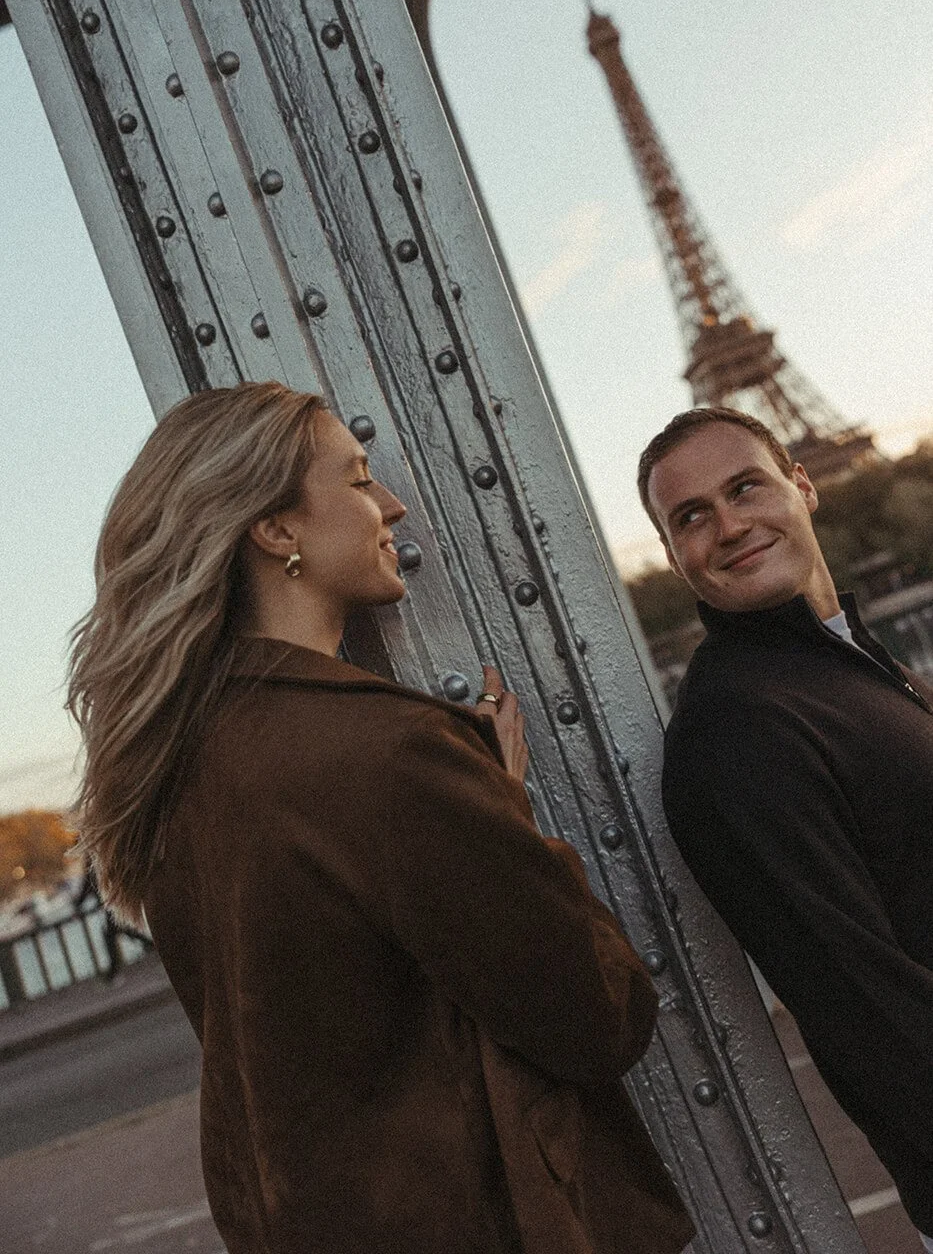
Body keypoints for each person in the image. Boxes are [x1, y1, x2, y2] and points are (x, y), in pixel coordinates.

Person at [68, 381, 693, 1254]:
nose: (393, 504)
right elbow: (599, 1016)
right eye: (359, 480)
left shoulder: (177, 771)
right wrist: (505, 815)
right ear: (277, 530)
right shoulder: (388, 753)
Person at [637, 405, 933, 1250]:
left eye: (744, 488)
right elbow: (865, 1009)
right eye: (691, 516)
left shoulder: (854, 665)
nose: (728, 526)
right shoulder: (736, 732)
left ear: (801, 486)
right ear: (672, 555)